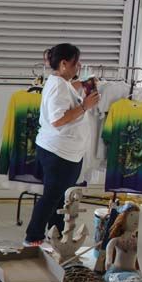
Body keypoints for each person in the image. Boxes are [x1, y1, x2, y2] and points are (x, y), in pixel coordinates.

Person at [24, 43, 100, 246]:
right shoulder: (58, 85)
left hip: (65, 152)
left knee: (59, 197)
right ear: (64, 64)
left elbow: (67, 90)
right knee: (52, 197)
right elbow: (58, 120)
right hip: (59, 153)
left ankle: (54, 233)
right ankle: (33, 237)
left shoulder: (59, 81)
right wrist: (85, 106)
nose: (79, 66)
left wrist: (84, 86)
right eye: (76, 63)